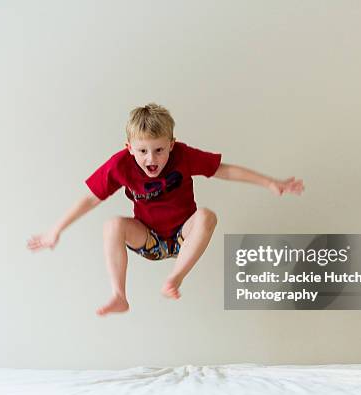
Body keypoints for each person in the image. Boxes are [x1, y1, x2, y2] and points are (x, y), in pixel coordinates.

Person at [27, 103, 304, 316]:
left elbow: (224, 170)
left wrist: (270, 183)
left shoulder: (183, 156)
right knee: (112, 224)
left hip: (183, 236)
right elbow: (90, 199)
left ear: (171, 144)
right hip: (149, 239)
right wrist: (55, 231)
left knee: (207, 215)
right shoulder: (120, 165)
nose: (151, 159)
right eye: (143, 151)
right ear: (129, 148)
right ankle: (119, 295)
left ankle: (175, 278)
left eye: (159, 150)